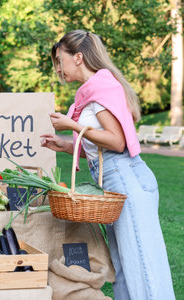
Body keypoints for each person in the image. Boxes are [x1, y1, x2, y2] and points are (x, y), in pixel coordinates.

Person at [41, 30, 175, 300]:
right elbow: (98, 148)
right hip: (115, 177)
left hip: (126, 179)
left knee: (142, 264)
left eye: (60, 60)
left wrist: (72, 126)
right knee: (123, 263)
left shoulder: (102, 88)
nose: (58, 68)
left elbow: (116, 142)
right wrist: (66, 144)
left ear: (78, 57)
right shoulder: (95, 89)